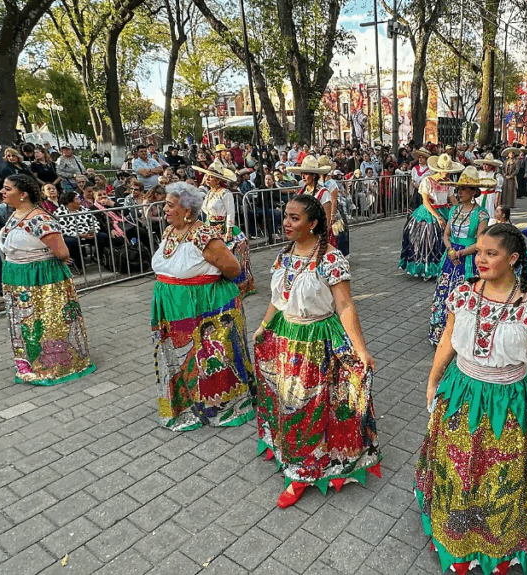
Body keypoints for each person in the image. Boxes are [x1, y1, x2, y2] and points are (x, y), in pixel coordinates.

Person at [416, 223, 527, 575]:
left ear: (512, 259)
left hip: (508, 403)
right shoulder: (463, 293)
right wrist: (434, 379)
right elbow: (448, 337)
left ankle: (499, 550)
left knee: (499, 477)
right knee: (458, 470)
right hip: (460, 393)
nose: (480, 259)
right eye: (478, 251)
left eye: (490, 253)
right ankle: (458, 543)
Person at [253, 193, 380, 508]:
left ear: (313, 224)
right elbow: (276, 297)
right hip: (285, 336)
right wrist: (264, 325)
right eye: (286, 216)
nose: (286, 222)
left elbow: (345, 305)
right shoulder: (285, 254)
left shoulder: (331, 258)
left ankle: (303, 473)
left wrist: (360, 349)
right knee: (287, 402)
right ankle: (290, 455)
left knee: (307, 408)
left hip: (316, 341)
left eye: (295, 218)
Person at [151, 182, 255, 431]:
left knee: (210, 357)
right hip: (173, 307)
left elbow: (233, 268)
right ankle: (188, 402)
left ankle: (221, 405)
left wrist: (203, 288)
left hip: (205, 306)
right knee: (183, 358)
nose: (164, 209)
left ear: (186, 210)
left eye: (169, 205)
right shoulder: (169, 232)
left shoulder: (204, 235)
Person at [0, 174, 95, 385]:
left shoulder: (40, 218)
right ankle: (31, 360)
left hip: (42, 276)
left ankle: (57, 364)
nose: (2, 192)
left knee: (47, 320)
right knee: (26, 322)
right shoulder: (14, 214)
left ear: (23, 194)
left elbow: (61, 252)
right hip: (18, 275)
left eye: (7, 188)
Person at [429, 166, 492, 345]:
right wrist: (450, 250)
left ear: (474, 192)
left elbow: (482, 242)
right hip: (450, 258)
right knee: (445, 292)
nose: (460, 192)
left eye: (465, 189)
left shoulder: (481, 214)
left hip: (469, 260)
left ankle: (463, 338)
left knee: (466, 296)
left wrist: (461, 253)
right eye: (459, 188)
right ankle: (442, 333)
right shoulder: (454, 210)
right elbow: (446, 234)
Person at [196, 161, 255, 297]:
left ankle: (239, 286)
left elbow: (230, 212)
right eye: (208, 176)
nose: (208, 179)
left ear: (218, 179)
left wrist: (228, 230)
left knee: (230, 256)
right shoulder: (209, 193)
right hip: (210, 227)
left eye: (211, 176)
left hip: (223, 227)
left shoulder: (225, 193)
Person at [400, 153, 462, 279]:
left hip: (444, 209)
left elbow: (452, 198)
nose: (448, 174)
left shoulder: (448, 182)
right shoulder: (427, 181)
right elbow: (426, 201)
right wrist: (437, 217)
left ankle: (447, 266)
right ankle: (427, 268)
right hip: (429, 212)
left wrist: (459, 211)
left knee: (448, 237)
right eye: (446, 172)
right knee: (429, 238)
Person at [476, 153, 503, 224]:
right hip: (480, 196)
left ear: (491, 166)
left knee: (490, 214)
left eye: (487, 164)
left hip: (490, 197)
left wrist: (496, 201)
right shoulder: (479, 174)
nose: (485, 166)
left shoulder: (496, 176)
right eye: (484, 164)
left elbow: (498, 189)